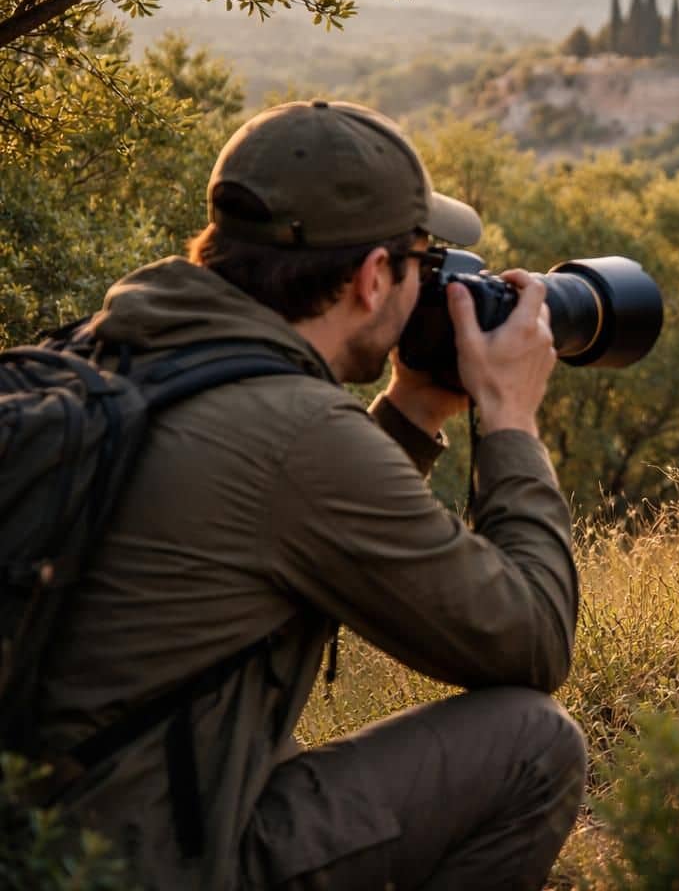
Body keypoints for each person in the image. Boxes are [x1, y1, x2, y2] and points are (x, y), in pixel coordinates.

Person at [33, 100, 586, 889]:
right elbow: (530, 642)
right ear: (371, 278)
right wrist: (510, 419)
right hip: (145, 865)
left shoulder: (112, 351)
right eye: (425, 266)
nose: (432, 288)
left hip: (43, 837)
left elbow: (285, 508)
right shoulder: (295, 433)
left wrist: (416, 408)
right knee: (533, 742)